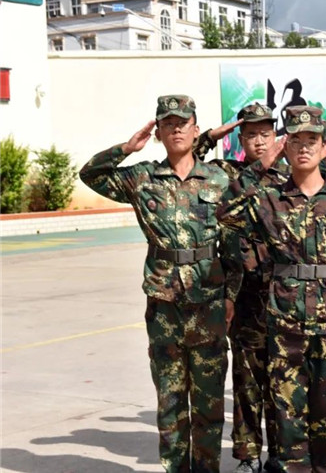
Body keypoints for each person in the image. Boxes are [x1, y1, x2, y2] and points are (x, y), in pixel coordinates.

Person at [80, 95, 232, 473]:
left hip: (209, 302)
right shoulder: (142, 177)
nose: (176, 129)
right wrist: (126, 149)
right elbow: (90, 175)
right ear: (159, 133)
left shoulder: (220, 179)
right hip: (164, 304)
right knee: (170, 400)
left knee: (209, 402)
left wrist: (232, 296)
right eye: (168, 123)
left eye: (183, 122)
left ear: (196, 130)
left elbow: (235, 243)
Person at [217, 105, 326, 473]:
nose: (304, 147)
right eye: (296, 140)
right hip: (285, 324)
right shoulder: (268, 199)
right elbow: (224, 212)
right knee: (288, 413)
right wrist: (260, 166)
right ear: (285, 146)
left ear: (324, 146)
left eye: (311, 140)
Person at [193, 103, 287, 473]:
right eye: (250, 134)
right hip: (242, 292)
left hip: (284, 292)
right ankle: (248, 455)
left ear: (275, 136)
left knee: (282, 379)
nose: (259, 141)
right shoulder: (226, 174)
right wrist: (212, 135)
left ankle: (280, 452)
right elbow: (189, 159)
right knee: (247, 380)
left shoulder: (289, 175)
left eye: (265, 133)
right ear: (240, 139)